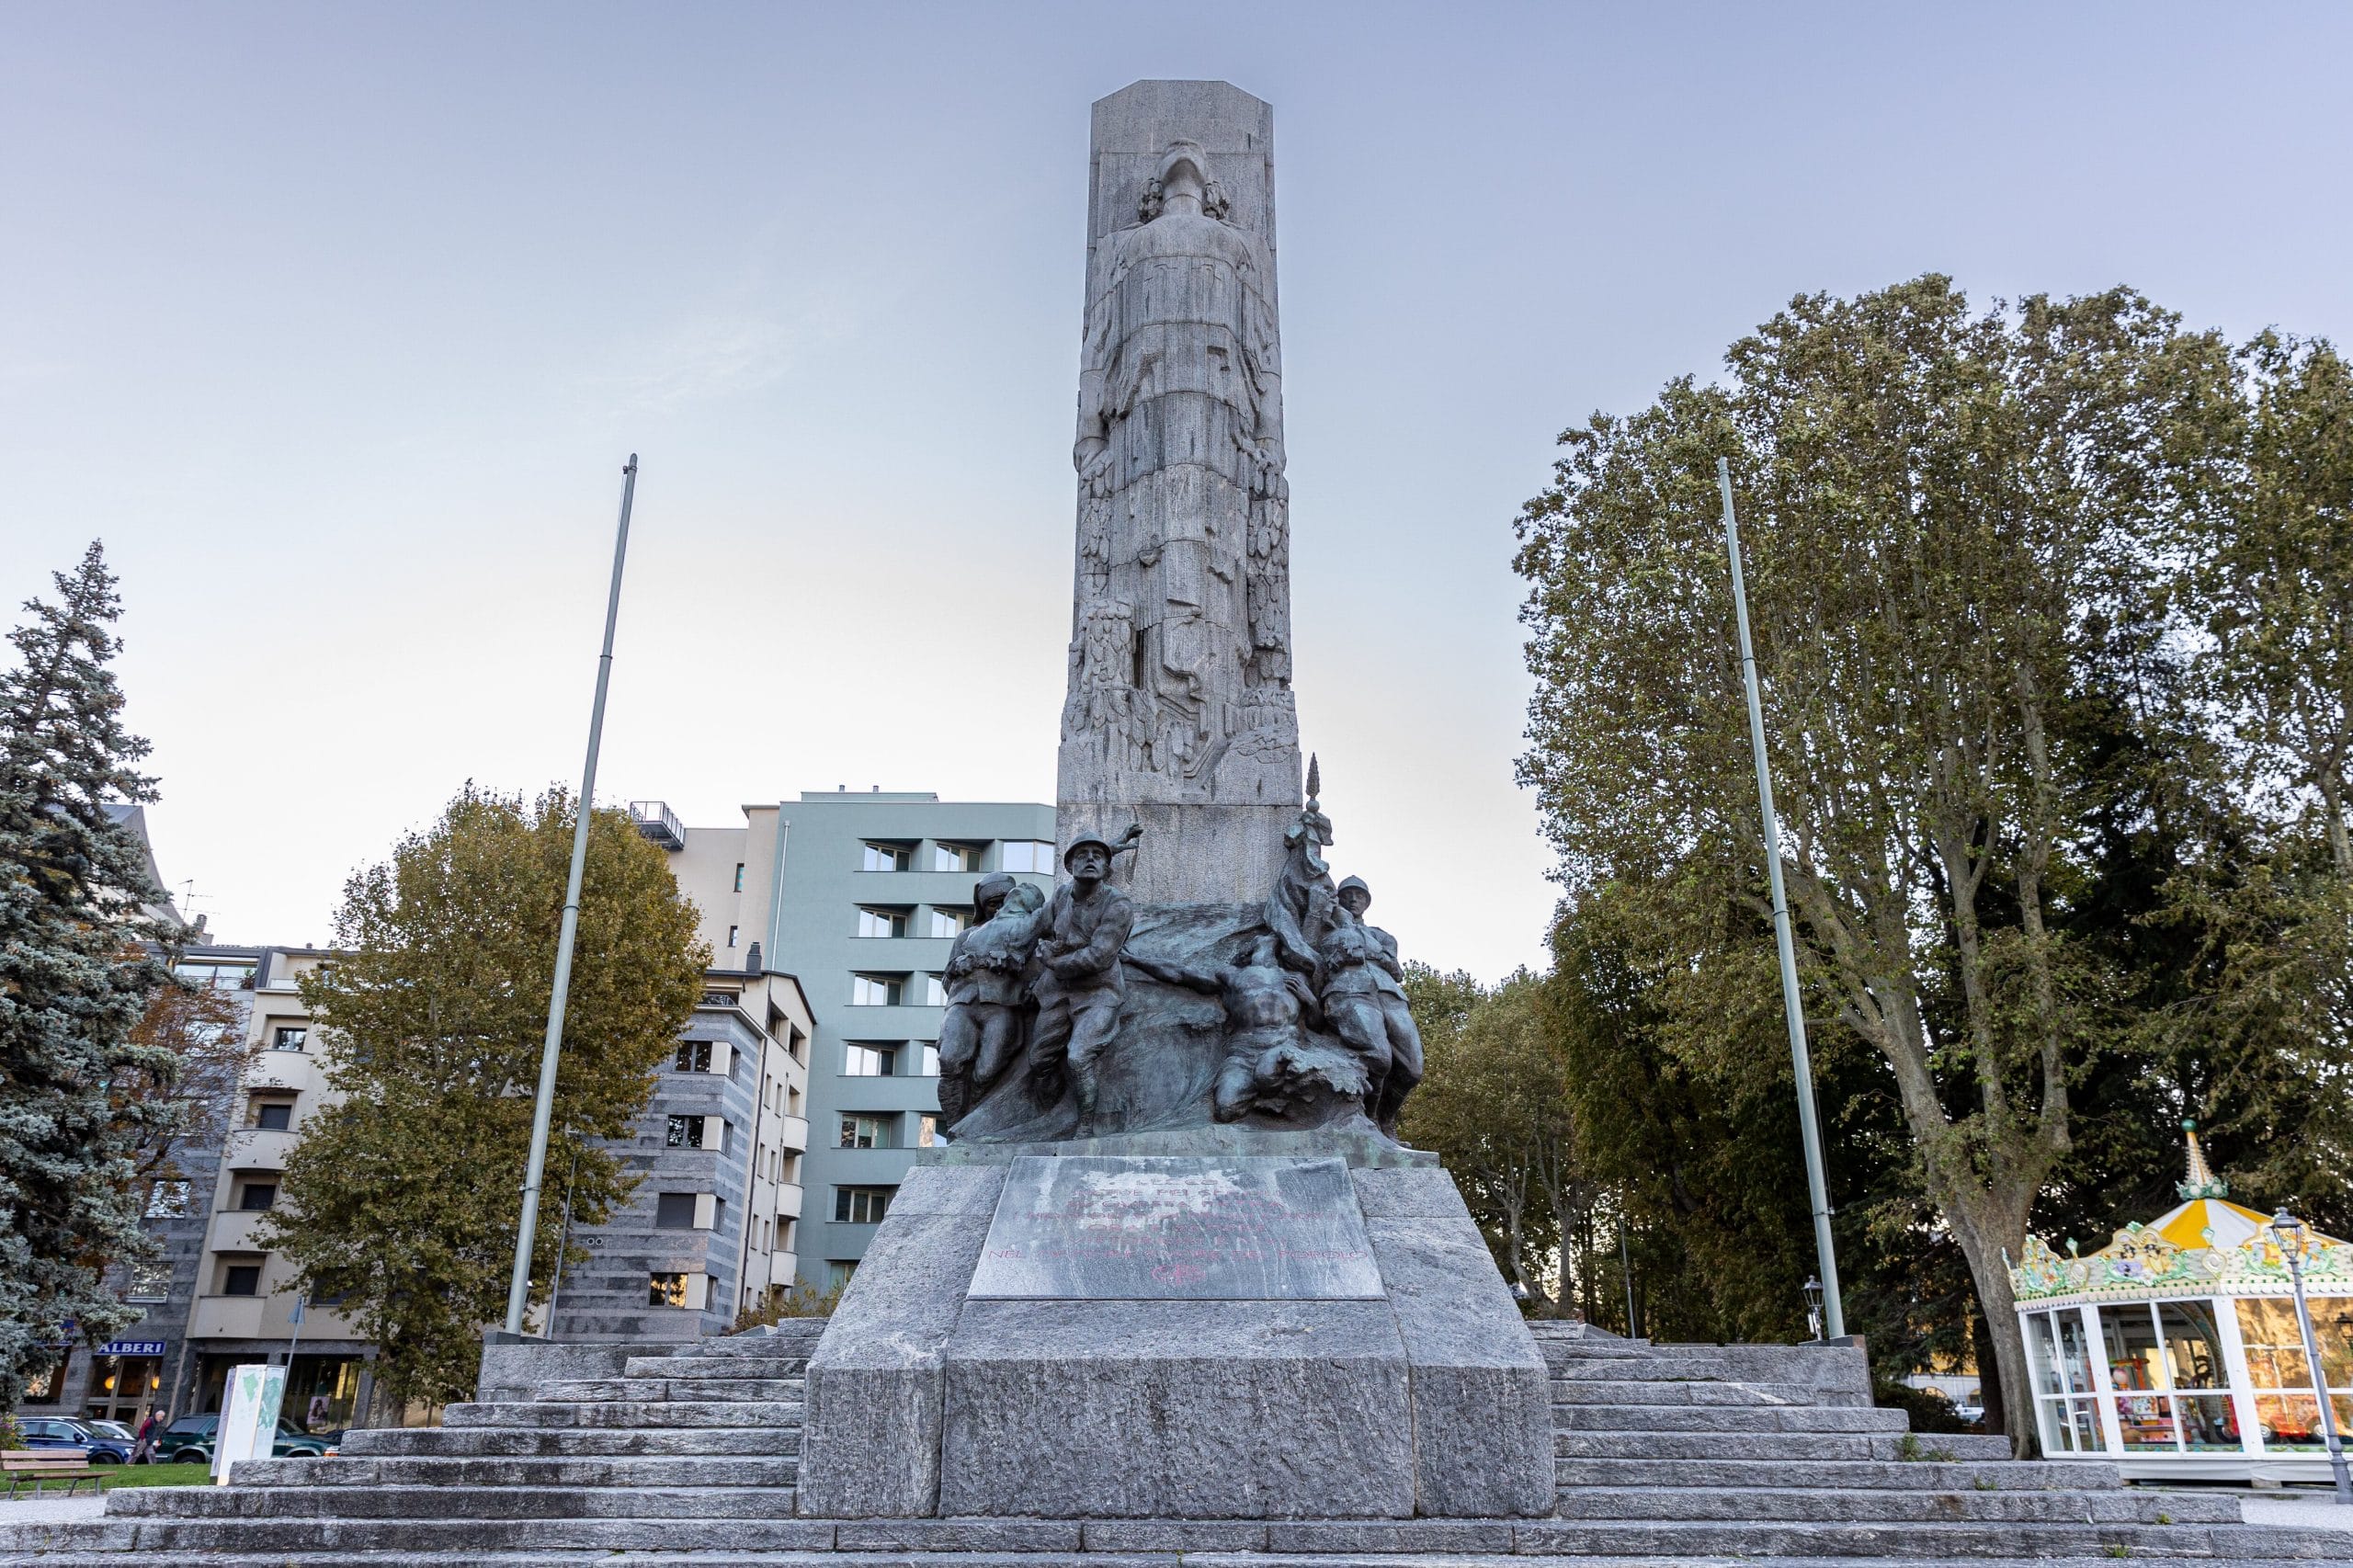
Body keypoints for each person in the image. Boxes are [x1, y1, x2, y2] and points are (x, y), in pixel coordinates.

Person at [1026, 829, 1139, 1138]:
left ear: (1108, 869)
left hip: (1099, 991)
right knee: (1039, 1061)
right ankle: (1054, 1115)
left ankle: (1085, 1126)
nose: (1090, 860)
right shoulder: (1061, 897)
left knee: (1078, 1057)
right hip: (1058, 994)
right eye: (1081, 855)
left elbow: (1099, 957)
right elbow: (1035, 928)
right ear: (1069, 866)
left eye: (1098, 856)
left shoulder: (1118, 905)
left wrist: (1054, 962)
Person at [937, 875, 1046, 1129]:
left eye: (1002, 902)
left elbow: (1039, 972)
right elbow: (945, 980)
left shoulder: (1025, 930)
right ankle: (955, 1125)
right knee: (949, 1061)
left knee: (988, 1070)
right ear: (982, 906)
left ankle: (976, 1118)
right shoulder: (966, 937)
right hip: (963, 1005)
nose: (997, 909)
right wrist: (960, 969)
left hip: (1003, 1006)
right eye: (991, 904)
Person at [1315, 876, 1424, 1132]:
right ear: (1338, 899)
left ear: (1367, 902)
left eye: (1359, 895)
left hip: (1389, 995)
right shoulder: (1325, 931)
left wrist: (1367, 951)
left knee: (1413, 1068)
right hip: (1350, 991)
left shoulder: (1382, 936)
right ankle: (1372, 1121)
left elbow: (1396, 970)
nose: (1353, 899)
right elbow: (1323, 963)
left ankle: (1387, 1120)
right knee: (1380, 1059)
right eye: (1348, 894)